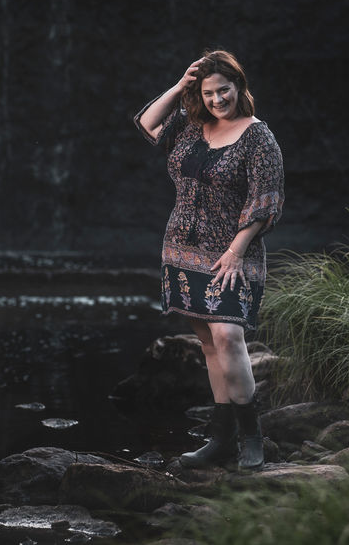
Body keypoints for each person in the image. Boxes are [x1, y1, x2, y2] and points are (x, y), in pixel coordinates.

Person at [133, 50, 285, 471]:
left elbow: (267, 202)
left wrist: (236, 252)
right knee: (208, 343)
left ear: (239, 87)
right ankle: (220, 439)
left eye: (224, 90)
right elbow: (147, 124)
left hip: (232, 254)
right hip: (181, 250)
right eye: (208, 92)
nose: (218, 99)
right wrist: (180, 86)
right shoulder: (189, 124)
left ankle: (251, 437)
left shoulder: (258, 138)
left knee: (229, 337)